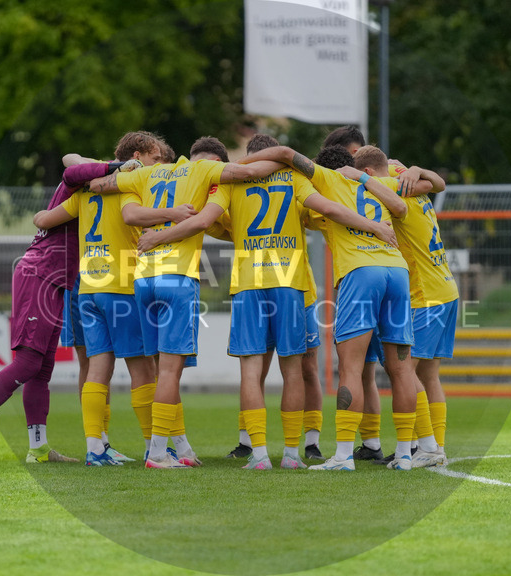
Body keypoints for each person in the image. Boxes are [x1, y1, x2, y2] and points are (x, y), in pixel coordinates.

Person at [136, 133, 397, 470]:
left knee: (251, 370)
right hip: (290, 283)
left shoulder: (229, 185)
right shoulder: (293, 178)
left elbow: (205, 221)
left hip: (248, 283)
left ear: (249, 156)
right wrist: (374, 226)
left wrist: (159, 234)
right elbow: (328, 209)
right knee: (293, 370)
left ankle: (258, 454)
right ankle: (291, 454)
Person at [87, 136, 280, 468]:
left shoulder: (144, 176)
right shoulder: (203, 171)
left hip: (143, 280)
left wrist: (120, 169)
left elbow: (97, 184)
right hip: (177, 279)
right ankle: (159, 454)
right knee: (169, 373)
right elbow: (249, 173)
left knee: (160, 370)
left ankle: (180, 448)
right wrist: (288, 158)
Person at [0, 158, 135, 465]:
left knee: (41, 370)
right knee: (27, 363)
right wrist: (116, 165)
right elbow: (70, 166)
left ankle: (39, 449)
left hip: (54, 282)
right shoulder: (78, 183)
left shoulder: (92, 188)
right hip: (39, 275)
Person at [238, 144, 417, 471]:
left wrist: (240, 166)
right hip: (397, 270)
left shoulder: (326, 179)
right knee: (402, 367)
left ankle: (344, 455)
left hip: (361, 272)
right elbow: (420, 194)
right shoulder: (380, 182)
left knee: (351, 367)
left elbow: (285, 153)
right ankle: (405, 454)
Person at [34, 132, 193, 465]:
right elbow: (135, 216)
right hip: (120, 286)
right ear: (137, 156)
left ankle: (95, 448)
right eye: (154, 159)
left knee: (98, 367)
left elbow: (43, 220)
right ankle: (155, 448)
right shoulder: (128, 188)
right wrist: (173, 213)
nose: (157, 166)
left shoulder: (86, 192)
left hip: (87, 289)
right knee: (142, 370)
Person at [353, 145, 452, 468]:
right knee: (429, 374)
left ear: (368, 172)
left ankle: (428, 448)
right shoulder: (401, 176)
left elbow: (398, 198)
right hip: (445, 286)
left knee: (404, 371)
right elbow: (438, 183)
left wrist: (360, 180)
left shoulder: (391, 187)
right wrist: (415, 167)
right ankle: (435, 446)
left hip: (425, 294)